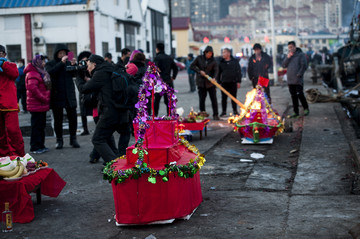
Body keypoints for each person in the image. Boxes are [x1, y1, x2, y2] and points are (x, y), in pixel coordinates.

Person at [76, 54, 130, 164]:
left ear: (94, 64)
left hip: (110, 112)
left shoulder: (101, 73)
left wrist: (77, 76)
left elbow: (84, 89)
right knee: (117, 134)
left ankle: (115, 165)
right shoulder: (111, 69)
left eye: (88, 65)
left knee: (98, 139)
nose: (87, 68)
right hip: (123, 110)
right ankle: (120, 161)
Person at [45, 43, 80, 149]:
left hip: (69, 94)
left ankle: (73, 139)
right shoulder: (51, 63)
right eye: (60, 53)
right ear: (56, 54)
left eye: (64, 53)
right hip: (57, 95)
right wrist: (61, 63)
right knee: (58, 119)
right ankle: (59, 140)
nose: (62, 55)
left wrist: (74, 65)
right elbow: (50, 72)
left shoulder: (69, 63)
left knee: (73, 118)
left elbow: (76, 74)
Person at [0, 45, 25, 157]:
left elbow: (15, 74)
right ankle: (3, 156)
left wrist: (3, 64)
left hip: (9, 104)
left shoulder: (10, 65)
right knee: (0, 134)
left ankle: (19, 156)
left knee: (13, 131)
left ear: (4, 54)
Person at [24, 55, 51, 154]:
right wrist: (44, 98)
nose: (44, 63)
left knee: (41, 126)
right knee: (36, 126)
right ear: (37, 62)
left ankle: (41, 145)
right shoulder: (32, 73)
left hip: (42, 104)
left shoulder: (41, 72)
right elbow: (33, 89)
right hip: (36, 104)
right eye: (42, 61)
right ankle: (35, 146)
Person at [190, 45, 220, 120]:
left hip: (210, 83)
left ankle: (215, 114)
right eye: (208, 53)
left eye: (211, 53)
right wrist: (199, 71)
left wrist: (214, 78)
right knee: (202, 100)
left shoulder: (214, 61)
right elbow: (192, 66)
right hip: (201, 83)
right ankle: (202, 114)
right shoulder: (199, 58)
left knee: (214, 100)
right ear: (205, 52)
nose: (209, 55)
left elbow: (216, 70)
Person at [282, 41, 309, 118]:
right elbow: (283, 65)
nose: (290, 49)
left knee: (300, 94)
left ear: (295, 47)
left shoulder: (300, 55)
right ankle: (295, 111)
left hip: (298, 79)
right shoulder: (289, 56)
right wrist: (288, 57)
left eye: (291, 47)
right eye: (289, 48)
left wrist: (299, 74)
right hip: (290, 79)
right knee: (293, 96)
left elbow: (304, 66)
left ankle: (306, 108)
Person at [153, 43, 178, 116]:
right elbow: (175, 68)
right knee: (168, 100)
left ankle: (155, 115)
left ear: (157, 49)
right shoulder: (169, 57)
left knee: (157, 100)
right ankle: (169, 115)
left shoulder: (157, 58)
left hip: (159, 82)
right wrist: (173, 77)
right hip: (168, 81)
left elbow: (154, 69)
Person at [217, 48, 242, 116]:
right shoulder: (221, 62)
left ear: (229, 53)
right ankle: (224, 112)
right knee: (224, 98)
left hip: (233, 82)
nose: (223, 54)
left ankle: (235, 111)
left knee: (233, 97)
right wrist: (218, 82)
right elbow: (218, 73)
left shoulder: (235, 61)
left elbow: (238, 71)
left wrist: (238, 81)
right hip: (224, 82)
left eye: (224, 52)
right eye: (223, 53)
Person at [77, 51, 93, 136]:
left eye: (86, 61)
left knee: (94, 109)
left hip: (91, 91)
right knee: (83, 111)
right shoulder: (79, 69)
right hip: (83, 91)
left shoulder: (91, 67)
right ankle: (85, 129)